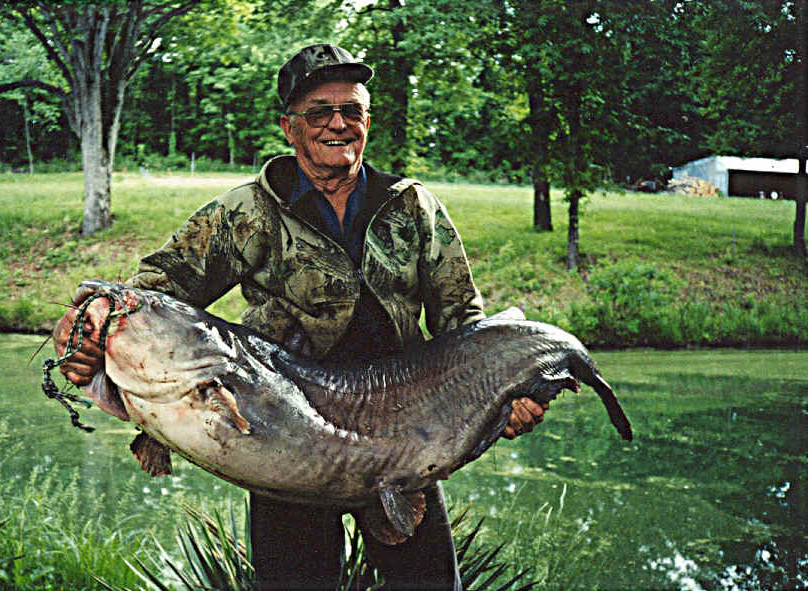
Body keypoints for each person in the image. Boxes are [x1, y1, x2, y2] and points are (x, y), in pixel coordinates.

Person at [54, 43, 548, 591]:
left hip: (404, 438)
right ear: (289, 128)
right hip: (283, 446)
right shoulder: (244, 213)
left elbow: (464, 327)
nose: (338, 124)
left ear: (367, 121)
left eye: (351, 111)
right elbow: (144, 299)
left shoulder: (414, 208)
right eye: (319, 112)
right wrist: (83, 334)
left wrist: (504, 393)